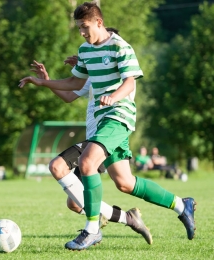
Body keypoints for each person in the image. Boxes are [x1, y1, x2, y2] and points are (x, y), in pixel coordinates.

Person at [19, 2, 196, 251]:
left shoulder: (121, 47)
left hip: (118, 117)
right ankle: (181, 205)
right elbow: (72, 83)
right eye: (79, 27)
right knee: (124, 182)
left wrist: (114, 97)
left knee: (87, 163)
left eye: (85, 26)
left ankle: (92, 230)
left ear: (99, 22)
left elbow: (130, 82)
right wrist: (43, 83)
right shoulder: (86, 51)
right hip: (102, 124)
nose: (81, 32)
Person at [30, 33, 152, 246]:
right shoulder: (92, 80)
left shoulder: (117, 77)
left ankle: (96, 226)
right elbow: (68, 95)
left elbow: (127, 84)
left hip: (103, 139)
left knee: (59, 168)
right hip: (94, 140)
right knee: (75, 204)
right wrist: (47, 82)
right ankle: (128, 219)